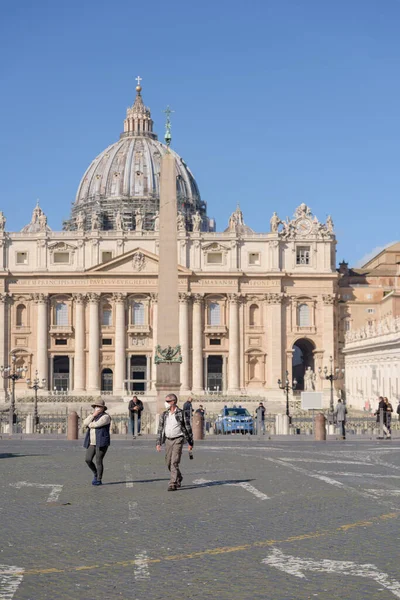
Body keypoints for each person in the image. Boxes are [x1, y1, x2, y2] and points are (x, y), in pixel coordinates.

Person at [156, 394, 193, 491]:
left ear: (173, 402)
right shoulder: (164, 414)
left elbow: (188, 428)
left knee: (174, 462)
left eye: (167, 401)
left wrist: (190, 443)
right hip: (168, 440)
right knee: (168, 462)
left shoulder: (181, 413)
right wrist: (158, 442)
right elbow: (160, 429)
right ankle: (179, 477)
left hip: (178, 439)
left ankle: (173, 483)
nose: (166, 403)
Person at [83, 400, 111, 486]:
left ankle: (99, 479)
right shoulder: (93, 416)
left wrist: (89, 424)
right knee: (87, 459)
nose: (97, 408)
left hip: (101, 441)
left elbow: (96, 425)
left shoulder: (106, 417)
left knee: (99, 460)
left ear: (103, 408)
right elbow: (85, 423)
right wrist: (92, 416)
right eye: (95, 406)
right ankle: (95, 473)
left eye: (99, 406)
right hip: (92, 442)